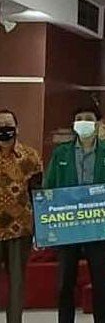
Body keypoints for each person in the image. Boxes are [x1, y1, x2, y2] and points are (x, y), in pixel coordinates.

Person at [45, 106, 105, 323]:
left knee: (101, 282)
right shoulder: (61, 153)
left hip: (98, 226)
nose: (84, 122)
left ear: (98, 124)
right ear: (73, 124)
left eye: (88, 119)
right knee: (65, 283)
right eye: (79, 118)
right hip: (68, 225)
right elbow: (49, 186)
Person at [0, 109, 42, 323]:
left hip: (20, 229)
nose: (4, 130)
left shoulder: (31, 156)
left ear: (17, 129)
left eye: (8, 126)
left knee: (16, 283)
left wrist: (41, 230)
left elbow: (38, 194)